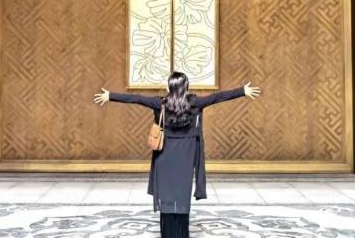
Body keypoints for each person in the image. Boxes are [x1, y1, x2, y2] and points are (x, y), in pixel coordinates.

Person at [93, 72, 261, 237]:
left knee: (166, 193)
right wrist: (242, 91)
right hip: (186, 156)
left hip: (164, 155)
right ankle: (181, 233)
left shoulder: (160, 103)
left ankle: (167, 233)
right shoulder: (195, 103)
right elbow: (217, 97)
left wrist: (110, 96)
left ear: (169, 87)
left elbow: (136, 98)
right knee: (181, 194)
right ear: (186, 87)